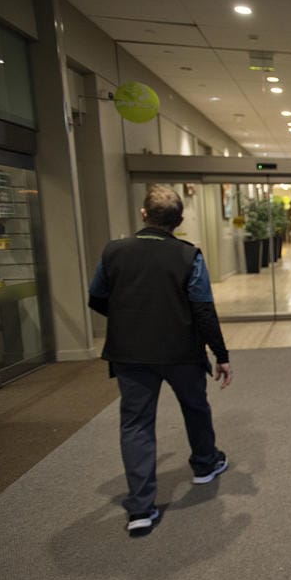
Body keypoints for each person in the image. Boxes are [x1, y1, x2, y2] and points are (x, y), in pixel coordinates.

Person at [88, 185, 233, 537]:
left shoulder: (114, 251)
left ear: (143, 214)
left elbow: (97, 297)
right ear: (179, 220)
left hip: (130, 353)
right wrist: (221, 354)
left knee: (136, 424)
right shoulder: (188, 255)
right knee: (195, 406)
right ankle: (204, 464)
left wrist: (128, 317)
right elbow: (202, 309)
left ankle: (140, 509)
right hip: (181, 351)